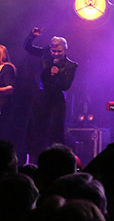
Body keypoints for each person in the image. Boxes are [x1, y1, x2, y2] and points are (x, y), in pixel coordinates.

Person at [24, 27, 78, 155]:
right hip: (41, 97)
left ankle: (57, 156)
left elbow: (66, 86)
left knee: (55, 130)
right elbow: (27, 47)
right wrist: (32, 35)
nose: (56, 54)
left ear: (65, 49)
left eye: (59, 51)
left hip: (57, 100)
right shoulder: (45, 53)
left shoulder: (71, 65)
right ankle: (35, 156)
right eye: (54, 51)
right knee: (37, 129)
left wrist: (57, 75)